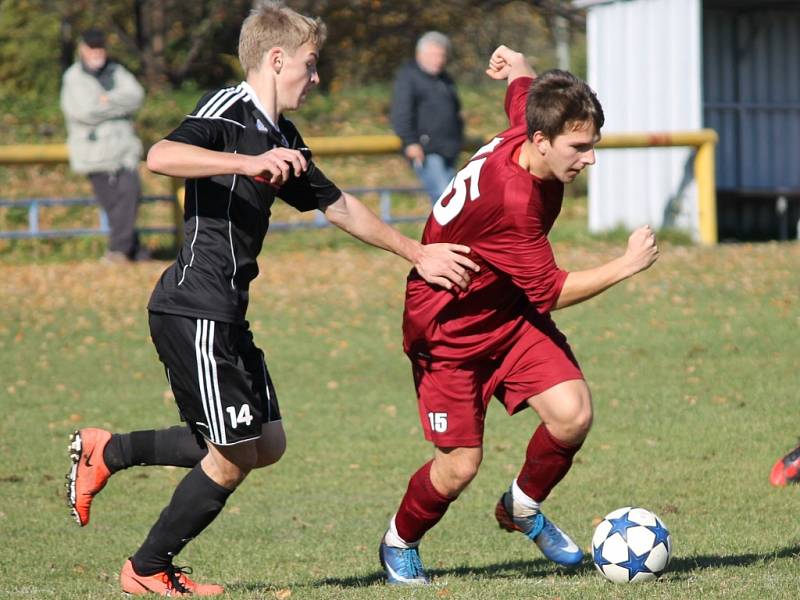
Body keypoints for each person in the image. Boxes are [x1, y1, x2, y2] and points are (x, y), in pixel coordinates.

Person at [64, 2, 479, 596]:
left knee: (265, 443)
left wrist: (418, 254)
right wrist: (250, 162)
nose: (316, 79)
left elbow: (338, 204)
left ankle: (109, 450)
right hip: (194, 307)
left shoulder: (282, 134)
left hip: (228, 312)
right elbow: (160, 156)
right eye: (310, 66)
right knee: (231, 453)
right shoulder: (229, 113)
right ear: (277, 59)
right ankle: (147, 568)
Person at [378, 45, 660, 585]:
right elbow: (551, 292)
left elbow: (523, 92)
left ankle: (522, 508)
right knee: (459, 466)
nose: (590, 158)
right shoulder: (515, 203)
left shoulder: (527, 127)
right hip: (449, 331)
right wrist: (626, 265)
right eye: (580, 147)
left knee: (572, 413)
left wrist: (521, 63)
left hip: (505, 314)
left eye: (593, 145)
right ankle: (400, 541)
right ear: (540, 141)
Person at [60, 29, 148, 263]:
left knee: (131, 194)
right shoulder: (73, 77)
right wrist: (119, 103)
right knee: (113, 205)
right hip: (94, 154)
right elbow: (85, 111)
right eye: (92, 47)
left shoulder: (116, 71)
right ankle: (133, 251)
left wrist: (107, 100)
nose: (97, 52)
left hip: (124, 151)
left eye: (100, 47)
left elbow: (136, 96)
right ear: (83, 49)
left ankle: (120, 251)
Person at [390, 31, 464, 204]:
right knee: (445, 198)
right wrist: (410, 142)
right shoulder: (409, 77)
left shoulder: (445, 79)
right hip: (426, 150)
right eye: (433, 55)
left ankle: (448, 231)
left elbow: (455, 110)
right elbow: (401, 112)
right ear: (419, 54)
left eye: (442, 55)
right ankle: (444, 232)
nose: (439, 60)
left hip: (449, 148)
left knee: (452, 197)